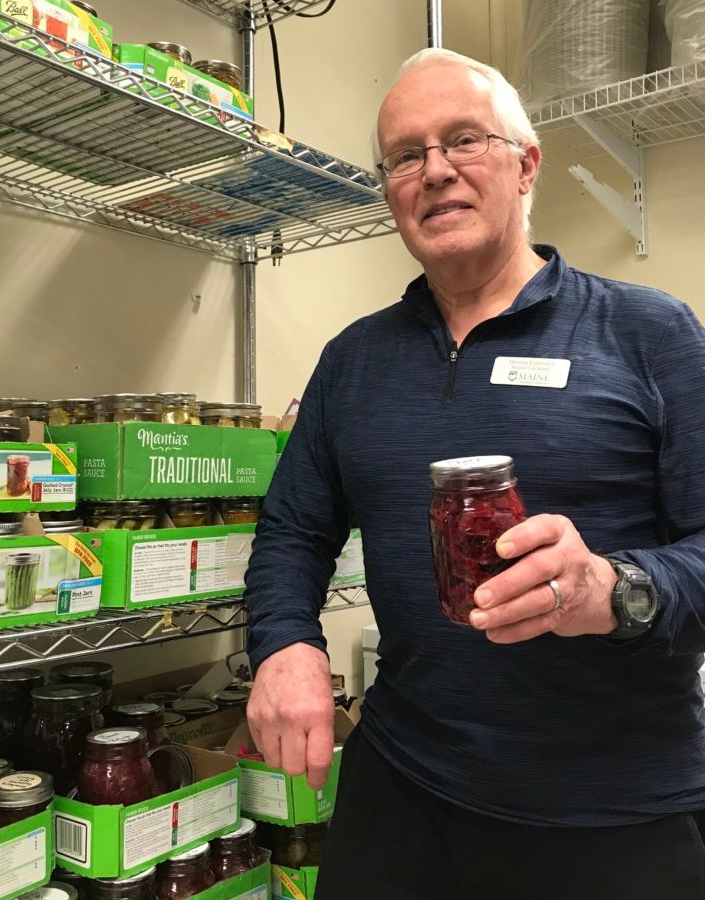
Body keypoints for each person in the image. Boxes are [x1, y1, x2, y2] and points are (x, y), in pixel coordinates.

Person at [243, 47, 705, 900]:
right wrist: (285, 645)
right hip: (402, 786)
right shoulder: (354, 360)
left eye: (464, 140)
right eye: (405, 155)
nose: (435, 171)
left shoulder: (650, 334)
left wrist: (614, 589)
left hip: (611, 811)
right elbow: (293, 529)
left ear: (526, 165)